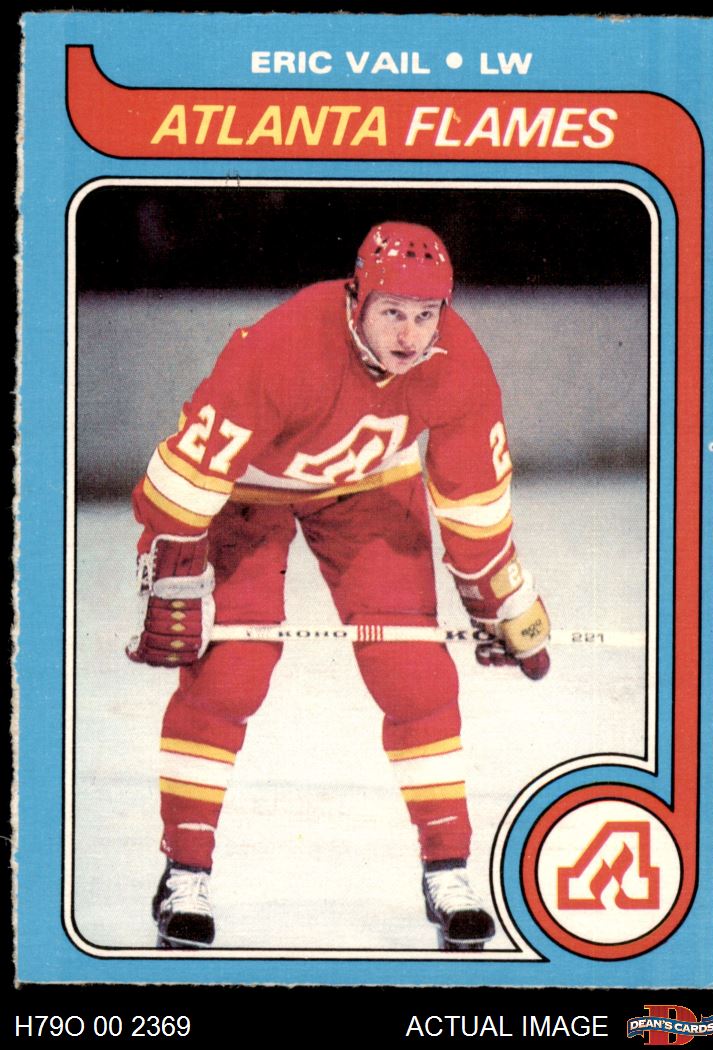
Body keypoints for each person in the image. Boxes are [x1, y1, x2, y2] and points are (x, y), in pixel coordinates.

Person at [127, 220, 550, 952]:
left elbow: (475, 501)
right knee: (230, 674)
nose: (410, 335)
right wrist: (175, 565)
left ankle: (448, 870)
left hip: (367, 492)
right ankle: (184, 874)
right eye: (393, 312)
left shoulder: (458, 363)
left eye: (426, 315)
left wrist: (503, 599)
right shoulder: (285, 346)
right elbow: (184, 477)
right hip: (247, 494)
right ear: (357, 298)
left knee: (416, 675)